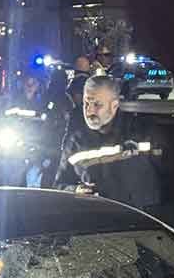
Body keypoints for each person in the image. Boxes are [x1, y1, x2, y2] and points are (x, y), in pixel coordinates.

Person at [56, 74, 164, 209]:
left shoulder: (142, 133)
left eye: (97, 104)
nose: (89, 111)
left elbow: (168, 178)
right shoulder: (76, 141)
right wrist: (76, 190)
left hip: (140, 223)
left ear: (114, 105)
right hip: (98, 222)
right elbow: (60, 184)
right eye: (86, 103)